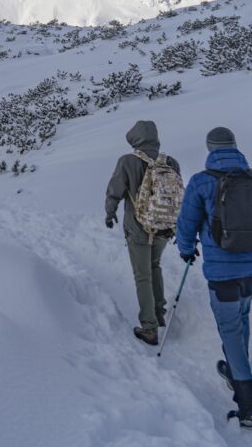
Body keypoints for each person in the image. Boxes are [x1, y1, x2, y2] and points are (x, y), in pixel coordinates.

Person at [177, 127, 252, 426]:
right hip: (251, 271)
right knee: (242, 319)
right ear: (235, 146)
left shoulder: (201, 181)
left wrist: (185, 250)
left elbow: (187, 223)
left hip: (222, 275)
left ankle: (246, 404)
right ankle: (237, 371)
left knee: (231, 329)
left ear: (210, 148)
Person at [105, 120, 181, 345]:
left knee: (143, 276)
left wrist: (110, 213)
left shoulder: (127, 161)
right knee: (154, 266)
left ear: (135, 138)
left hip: (138, 228)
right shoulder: (170, 162)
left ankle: (149, 328)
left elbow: (114, 191)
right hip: (164, 228)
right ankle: (159, 313)